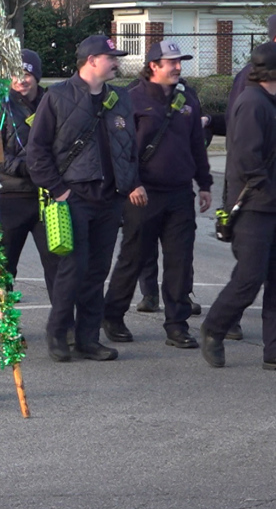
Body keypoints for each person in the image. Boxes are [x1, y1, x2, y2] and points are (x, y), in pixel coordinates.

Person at [27, 34, 146, 362]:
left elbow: (128, 149)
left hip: (110, 200)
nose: (117, 62)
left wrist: (132, 182)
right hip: (74, 197)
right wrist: (59, 190)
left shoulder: (120, 98)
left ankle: (88, 339)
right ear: (92, 60)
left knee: (97, 271)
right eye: (111, 58)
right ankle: (57, 333)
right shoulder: (57, 97)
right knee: (73, 269)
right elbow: (36, 151)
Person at [99, 41, 212, 349]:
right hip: (143, 194)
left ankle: (177, 325)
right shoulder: (131, 100)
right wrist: (131, 184)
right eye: (170, 62)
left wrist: (204, 183)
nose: (177, 67)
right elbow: (120, 152)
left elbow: (195, 145)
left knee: (179, 260)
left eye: (179, 61)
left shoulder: (187, 99)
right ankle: (113, 315)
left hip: (179, 194)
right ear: (153, 66)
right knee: (133, 257)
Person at [201, 42, 276, 370]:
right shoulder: (251, 103)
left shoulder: (270, 102)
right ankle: (214, 328)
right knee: (249, 277)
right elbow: (247, 159)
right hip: (253, 206)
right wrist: (268, 191)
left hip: (271, 203)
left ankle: (272, 351)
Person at [0, 49, 59, 337]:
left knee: (58, 265)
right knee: (5, 264)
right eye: (16, 73)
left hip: (48, 198)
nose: (22, 79)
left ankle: (62, 323)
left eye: (28, 73)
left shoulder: (53, 102)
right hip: (11, 197)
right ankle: (0, 320)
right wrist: (30, 169)